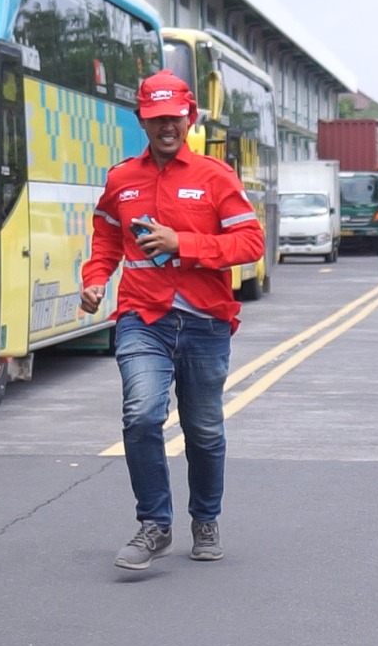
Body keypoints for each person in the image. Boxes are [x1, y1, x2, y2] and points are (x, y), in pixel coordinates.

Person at [80, 70, 264, 571]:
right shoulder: (121, 179)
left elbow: (251, 245)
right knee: (141, 415)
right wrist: (95, 277)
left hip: (205, 323)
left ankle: (205, 519)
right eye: (156, 118)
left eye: (174, 118)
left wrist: (184, 244)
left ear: (190, 118)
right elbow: (106, 237)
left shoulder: (215, 177)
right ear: (142, 120)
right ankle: (154, 525)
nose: (166, 127)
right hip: (143, 317)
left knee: (204, 430)